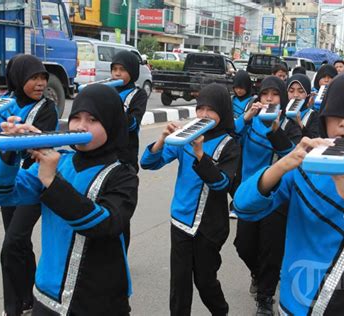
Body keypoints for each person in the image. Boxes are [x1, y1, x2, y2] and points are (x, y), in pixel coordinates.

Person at [233, 71, 344, 315]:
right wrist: (284, 164)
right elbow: (243, 205)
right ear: (324, 117)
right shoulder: (305, 164)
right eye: (336, 115)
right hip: (297, 302)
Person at [0, 84, 139, 315]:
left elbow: (105, 224)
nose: (81, 126)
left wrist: (52, 181)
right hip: (46, 294)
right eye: (76, 117)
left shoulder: (122, 175)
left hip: (97, 300)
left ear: (111, 122)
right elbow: (1, 192)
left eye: (93, 119)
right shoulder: (60, 161)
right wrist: (10, 150)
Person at [140, 83, 240, 316]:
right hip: (180, 222)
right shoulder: (185, 136)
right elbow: (149, 163)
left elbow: (222, 184)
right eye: (200, 108)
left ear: (223, 111)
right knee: (180, 284)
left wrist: (200, 154)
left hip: (210, 226)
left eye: (210, 110)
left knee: (205, 281)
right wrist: (163, 139)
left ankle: (221, 311)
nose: (203, 114)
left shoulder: (230, 144)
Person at [0, 54, 59, 316]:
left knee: (12, 243)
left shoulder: (46, 109)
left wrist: (16, 136)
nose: (40, 83)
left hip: (32, 185)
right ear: (19, 79)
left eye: (43, 77)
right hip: (7, 182)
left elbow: (37, 148)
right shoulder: (3, 102)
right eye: (34, 78)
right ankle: (25, 301)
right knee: (19, 246)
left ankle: (18, 306)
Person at [233, 76, 301, 315]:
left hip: (277, 196)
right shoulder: (250, 121)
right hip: (249, 193)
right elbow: (230, 136)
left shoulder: (289, 122)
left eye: (274, 94)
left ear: (282, 98)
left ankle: (265, 298)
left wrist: (274, 129)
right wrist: (247, 117)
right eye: (265, 94)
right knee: (243, 245)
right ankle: (258, 274)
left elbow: (290, 154)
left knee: (270, 249)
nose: (269, 99)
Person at [110, 50, 148, 172]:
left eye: (122, 70)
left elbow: (133, 124)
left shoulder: (138, 94)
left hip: (126, 154)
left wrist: (115, 106)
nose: (117, 73)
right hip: (106, 151)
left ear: (132, 71)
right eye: (114, 69)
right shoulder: (107, 89)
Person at [286, 74, 319, 138]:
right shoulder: (280, 113)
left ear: (308, 94)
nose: (295, 95)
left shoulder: (313, 115)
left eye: (300, 91)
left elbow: (314, 140)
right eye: (291, 91)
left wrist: (299, 123)